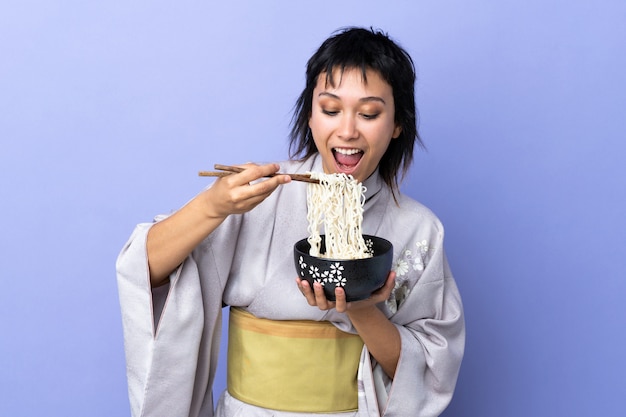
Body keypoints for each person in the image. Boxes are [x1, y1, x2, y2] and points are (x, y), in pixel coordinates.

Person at [117, 27, 465, 417]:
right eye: (331, 110)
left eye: (369, 113)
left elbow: (427, 371)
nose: (347, 130)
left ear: (398, 123)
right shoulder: (256, 198)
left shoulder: (418, 228)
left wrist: (360, 308)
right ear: (311, 117)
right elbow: (144, 271)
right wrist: (212, 207)